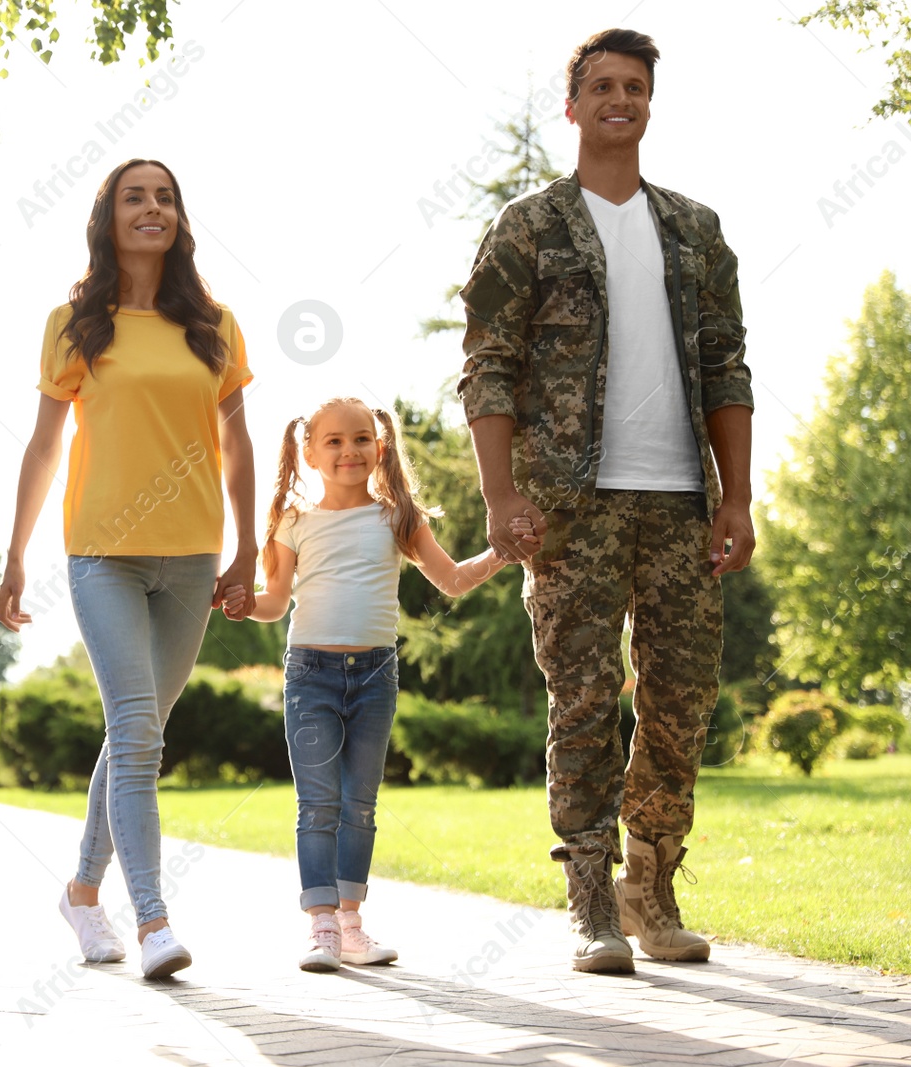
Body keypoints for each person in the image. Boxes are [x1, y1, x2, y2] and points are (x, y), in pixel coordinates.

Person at [458, 28, 754, 973]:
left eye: (635, 86)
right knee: (581, 698)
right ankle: (589, 898)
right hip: (570, 505)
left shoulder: (696, 230)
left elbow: (726, 365)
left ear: (648, 104)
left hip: (678, 502)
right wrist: (500, 493)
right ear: (574, 105)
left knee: (682, 697)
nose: (619, 99)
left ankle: (652, 883)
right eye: (602, 86)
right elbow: (488, 368)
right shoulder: (528, 227)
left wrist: (736, 497)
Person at [0, 158, 258, 979]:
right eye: (135, 197)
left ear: (181, 218)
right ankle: (153, 920)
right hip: (101, 551)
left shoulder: (213, 322)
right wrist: (15, 550)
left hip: (193, 554)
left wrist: (249, 545)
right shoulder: (75, 322)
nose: (153, 208)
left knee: (137, 732)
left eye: (166, 197)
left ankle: (81, 890)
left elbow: (238, 442)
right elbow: (45, 445)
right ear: (107, 218)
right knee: (139, 732)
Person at [223, 398, 535, 972]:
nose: (350, 451)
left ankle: (351, 925)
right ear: (309, 453)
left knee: (359, 807)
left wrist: (502, 552)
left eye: (362, 439)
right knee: (318, 804)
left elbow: (453, 580)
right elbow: (274, 601)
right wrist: (245, 605)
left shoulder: (398, 517)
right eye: (335, 441)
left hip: (374, 676)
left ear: (380, 448)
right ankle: (320, 927)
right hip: (310, 675)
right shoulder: (291, 521)